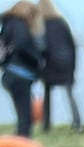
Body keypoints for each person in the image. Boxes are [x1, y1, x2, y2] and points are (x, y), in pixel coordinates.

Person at [0, 2, 42, 137]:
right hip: (20, 73)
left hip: (9, 73)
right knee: (25, 116)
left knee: (22, 114)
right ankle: (23, 145)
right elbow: (22, 45)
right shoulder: (19, 24)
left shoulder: (7, 26)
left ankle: (21, 141)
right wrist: (37, 60)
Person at [36, 0, 79, 131]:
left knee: (47, 95)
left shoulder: (42, 25)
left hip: (51, 63)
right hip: (66, 63)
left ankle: (46, 125)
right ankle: (78, 123)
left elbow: (42, 46)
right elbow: (72, 44)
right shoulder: (62, 22)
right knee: (70, 94)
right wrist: (72, 64)